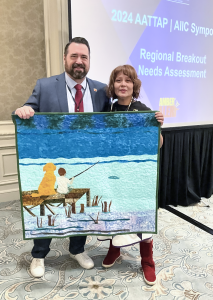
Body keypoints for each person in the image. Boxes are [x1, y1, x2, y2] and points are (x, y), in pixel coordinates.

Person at [14, 37, 109, 278]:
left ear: (89, 61)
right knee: (47, 206)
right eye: (74, 56)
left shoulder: (101, 91)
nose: (79, 61)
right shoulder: (45, 86)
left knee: (81, 206)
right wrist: (24, 109)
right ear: (65, 59)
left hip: (85, 161)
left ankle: (77, 249)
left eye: (84, 57)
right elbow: (30, 109)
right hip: (53, 163)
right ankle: (39, 255)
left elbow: (110, 123)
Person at [99, 64, 164, 286]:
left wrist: (157, 128)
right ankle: (114, 248)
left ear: (134, 85)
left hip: (137, 176)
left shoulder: (143, 110)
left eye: (127, 80)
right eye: (118, 80)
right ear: (113, 85)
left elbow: (158, 145)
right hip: (114, 175)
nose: (123, 84)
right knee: (114, 214)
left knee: (141, 217)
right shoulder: (107, 111)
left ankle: (147, 260)